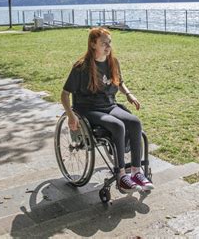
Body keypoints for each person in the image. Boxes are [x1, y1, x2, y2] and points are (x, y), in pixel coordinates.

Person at [60, 27, 154, 193]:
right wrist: (70, 115)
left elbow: (120, 81)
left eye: (109, 43)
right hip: (88, 109)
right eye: (104, 43)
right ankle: (121, 176)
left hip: (109, 105)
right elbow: (65, 94)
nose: (108, 46)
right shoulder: (81, 67)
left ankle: (136, 172)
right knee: (118, 126)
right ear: (93, 44)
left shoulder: (113, 62)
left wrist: (129, 94)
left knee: (135, 123)